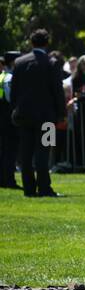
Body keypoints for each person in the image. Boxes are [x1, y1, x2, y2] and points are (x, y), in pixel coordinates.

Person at [9, 28, 67, 198]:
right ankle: (44, 187)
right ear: (47, 43)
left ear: (31, 42)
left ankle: (29, 188)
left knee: (25, 153)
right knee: (44, 151)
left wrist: (16, 109)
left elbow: (14, 91)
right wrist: (61, 113)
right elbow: (58, 91)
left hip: (25, 116)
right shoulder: (52, 62)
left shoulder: (20, 62)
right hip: (47, 117)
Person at [0, 51, 20, 188]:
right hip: (8, 119)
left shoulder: (2, 76)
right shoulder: (10, 78)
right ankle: (9, 180)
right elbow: (11, 98)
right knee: (10, 151)